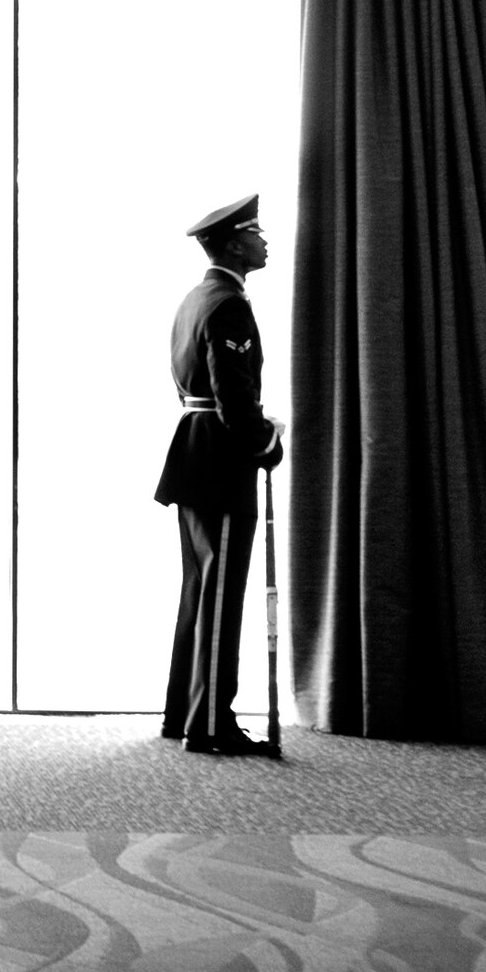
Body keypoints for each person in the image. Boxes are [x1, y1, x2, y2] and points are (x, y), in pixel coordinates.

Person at [153, 194, 285, 756]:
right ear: (234, 243)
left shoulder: (195, 298)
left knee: (200, 589)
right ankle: (211, 723)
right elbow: (234, 399)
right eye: (256, 232)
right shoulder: (228, 304)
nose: (264, 240)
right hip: (220, 460)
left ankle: (183, 711)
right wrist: (269, 441)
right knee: (221, 593)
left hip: (194, 450)